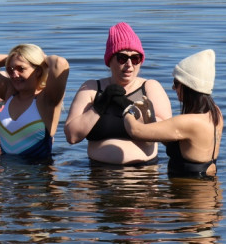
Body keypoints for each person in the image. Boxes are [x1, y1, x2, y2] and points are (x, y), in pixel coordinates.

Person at [64, 22, 172, 164]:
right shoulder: (91, 88)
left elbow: (168, 135)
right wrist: (100, 106)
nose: (129, 64)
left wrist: (129, 107)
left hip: (144, 175)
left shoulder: (150, 87)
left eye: (135, 58)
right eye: (122, 58)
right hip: (98, 176)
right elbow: (72, 136)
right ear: (110, 60)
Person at [122, 49, 223, 179]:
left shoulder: (188, 122)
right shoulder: (215, 113)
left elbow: (135, 131)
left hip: (190, 194)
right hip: (209, 191)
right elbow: (180, 143)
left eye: (176, 83)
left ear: (189, 87)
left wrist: (128, 111)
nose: (173, 88)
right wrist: (151, 120)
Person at [0, 44, 70, 160]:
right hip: (6, 175)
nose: (14, 74)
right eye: (10, 69)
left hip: (38, 176)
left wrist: (43, 59)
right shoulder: (9, 92)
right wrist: (13, 58)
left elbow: (60, 63)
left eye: (21, 69)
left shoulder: (48, 99)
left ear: (37, 71)